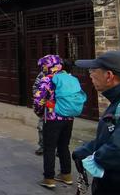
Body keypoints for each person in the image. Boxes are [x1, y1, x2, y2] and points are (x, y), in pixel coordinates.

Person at [73, 51, 120, 194]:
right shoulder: (117, 101)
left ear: (109, 76)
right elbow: (111, 136)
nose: (90, 75)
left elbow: (119, 150)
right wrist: (87, 149)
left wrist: (94, 157)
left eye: (93, 71)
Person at [33, 55, 73, 189]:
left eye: (44, 65)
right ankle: (66, 175)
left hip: (52, 118)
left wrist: (39, 112)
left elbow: (39, 100)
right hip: (69, 117)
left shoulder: (47, 79)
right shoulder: (70, 78)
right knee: (64, 146)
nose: (43, 68)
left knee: (49, 148)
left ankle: (49, 178)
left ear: (50, 65)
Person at [32, 70, 46, 156]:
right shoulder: (43, 74)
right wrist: (39, 98)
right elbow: (35, 87)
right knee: (41, 127)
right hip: (45, 105)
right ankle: (42, 146)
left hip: (60, 106)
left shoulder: (62, 74)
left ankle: (60, 148)